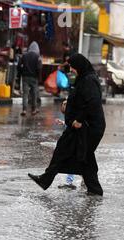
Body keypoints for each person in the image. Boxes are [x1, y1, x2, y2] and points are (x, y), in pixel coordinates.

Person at [28, 54, 106, 196]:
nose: (71, 70)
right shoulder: (84, 78)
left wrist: (80, 120)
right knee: (82, 155)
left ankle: (46, 180)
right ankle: (94, 189)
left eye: (72, 67)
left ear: (79, 66)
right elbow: (81, 99)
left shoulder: (89, 80)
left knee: (73, 153)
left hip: (88, 127)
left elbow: (92, 103)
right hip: (81, 126)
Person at [17, 41, 42, 117]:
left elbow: (19, 65)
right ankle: (34, 109)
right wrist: (38, 77)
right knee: (34, 94)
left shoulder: (24, 55)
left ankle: (24, 110)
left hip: (25, 77)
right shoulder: (38, 57)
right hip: (34, 78)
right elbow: (39, 68)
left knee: (25, 94)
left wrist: (21, 73)